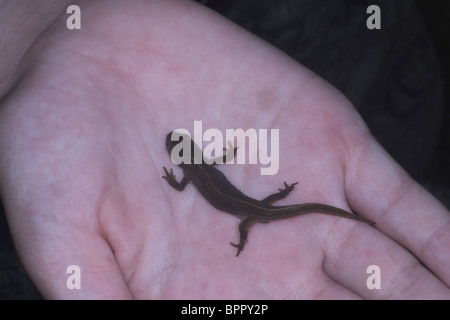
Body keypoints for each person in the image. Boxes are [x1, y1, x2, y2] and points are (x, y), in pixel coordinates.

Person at [0, 0, 448, 299]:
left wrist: (232, 231)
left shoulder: (193, 173)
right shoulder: (200, 169)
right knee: (270, 208)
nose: (179, 148)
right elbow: (199, 173)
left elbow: (183, 184)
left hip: (366, 66)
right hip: (254, 203)